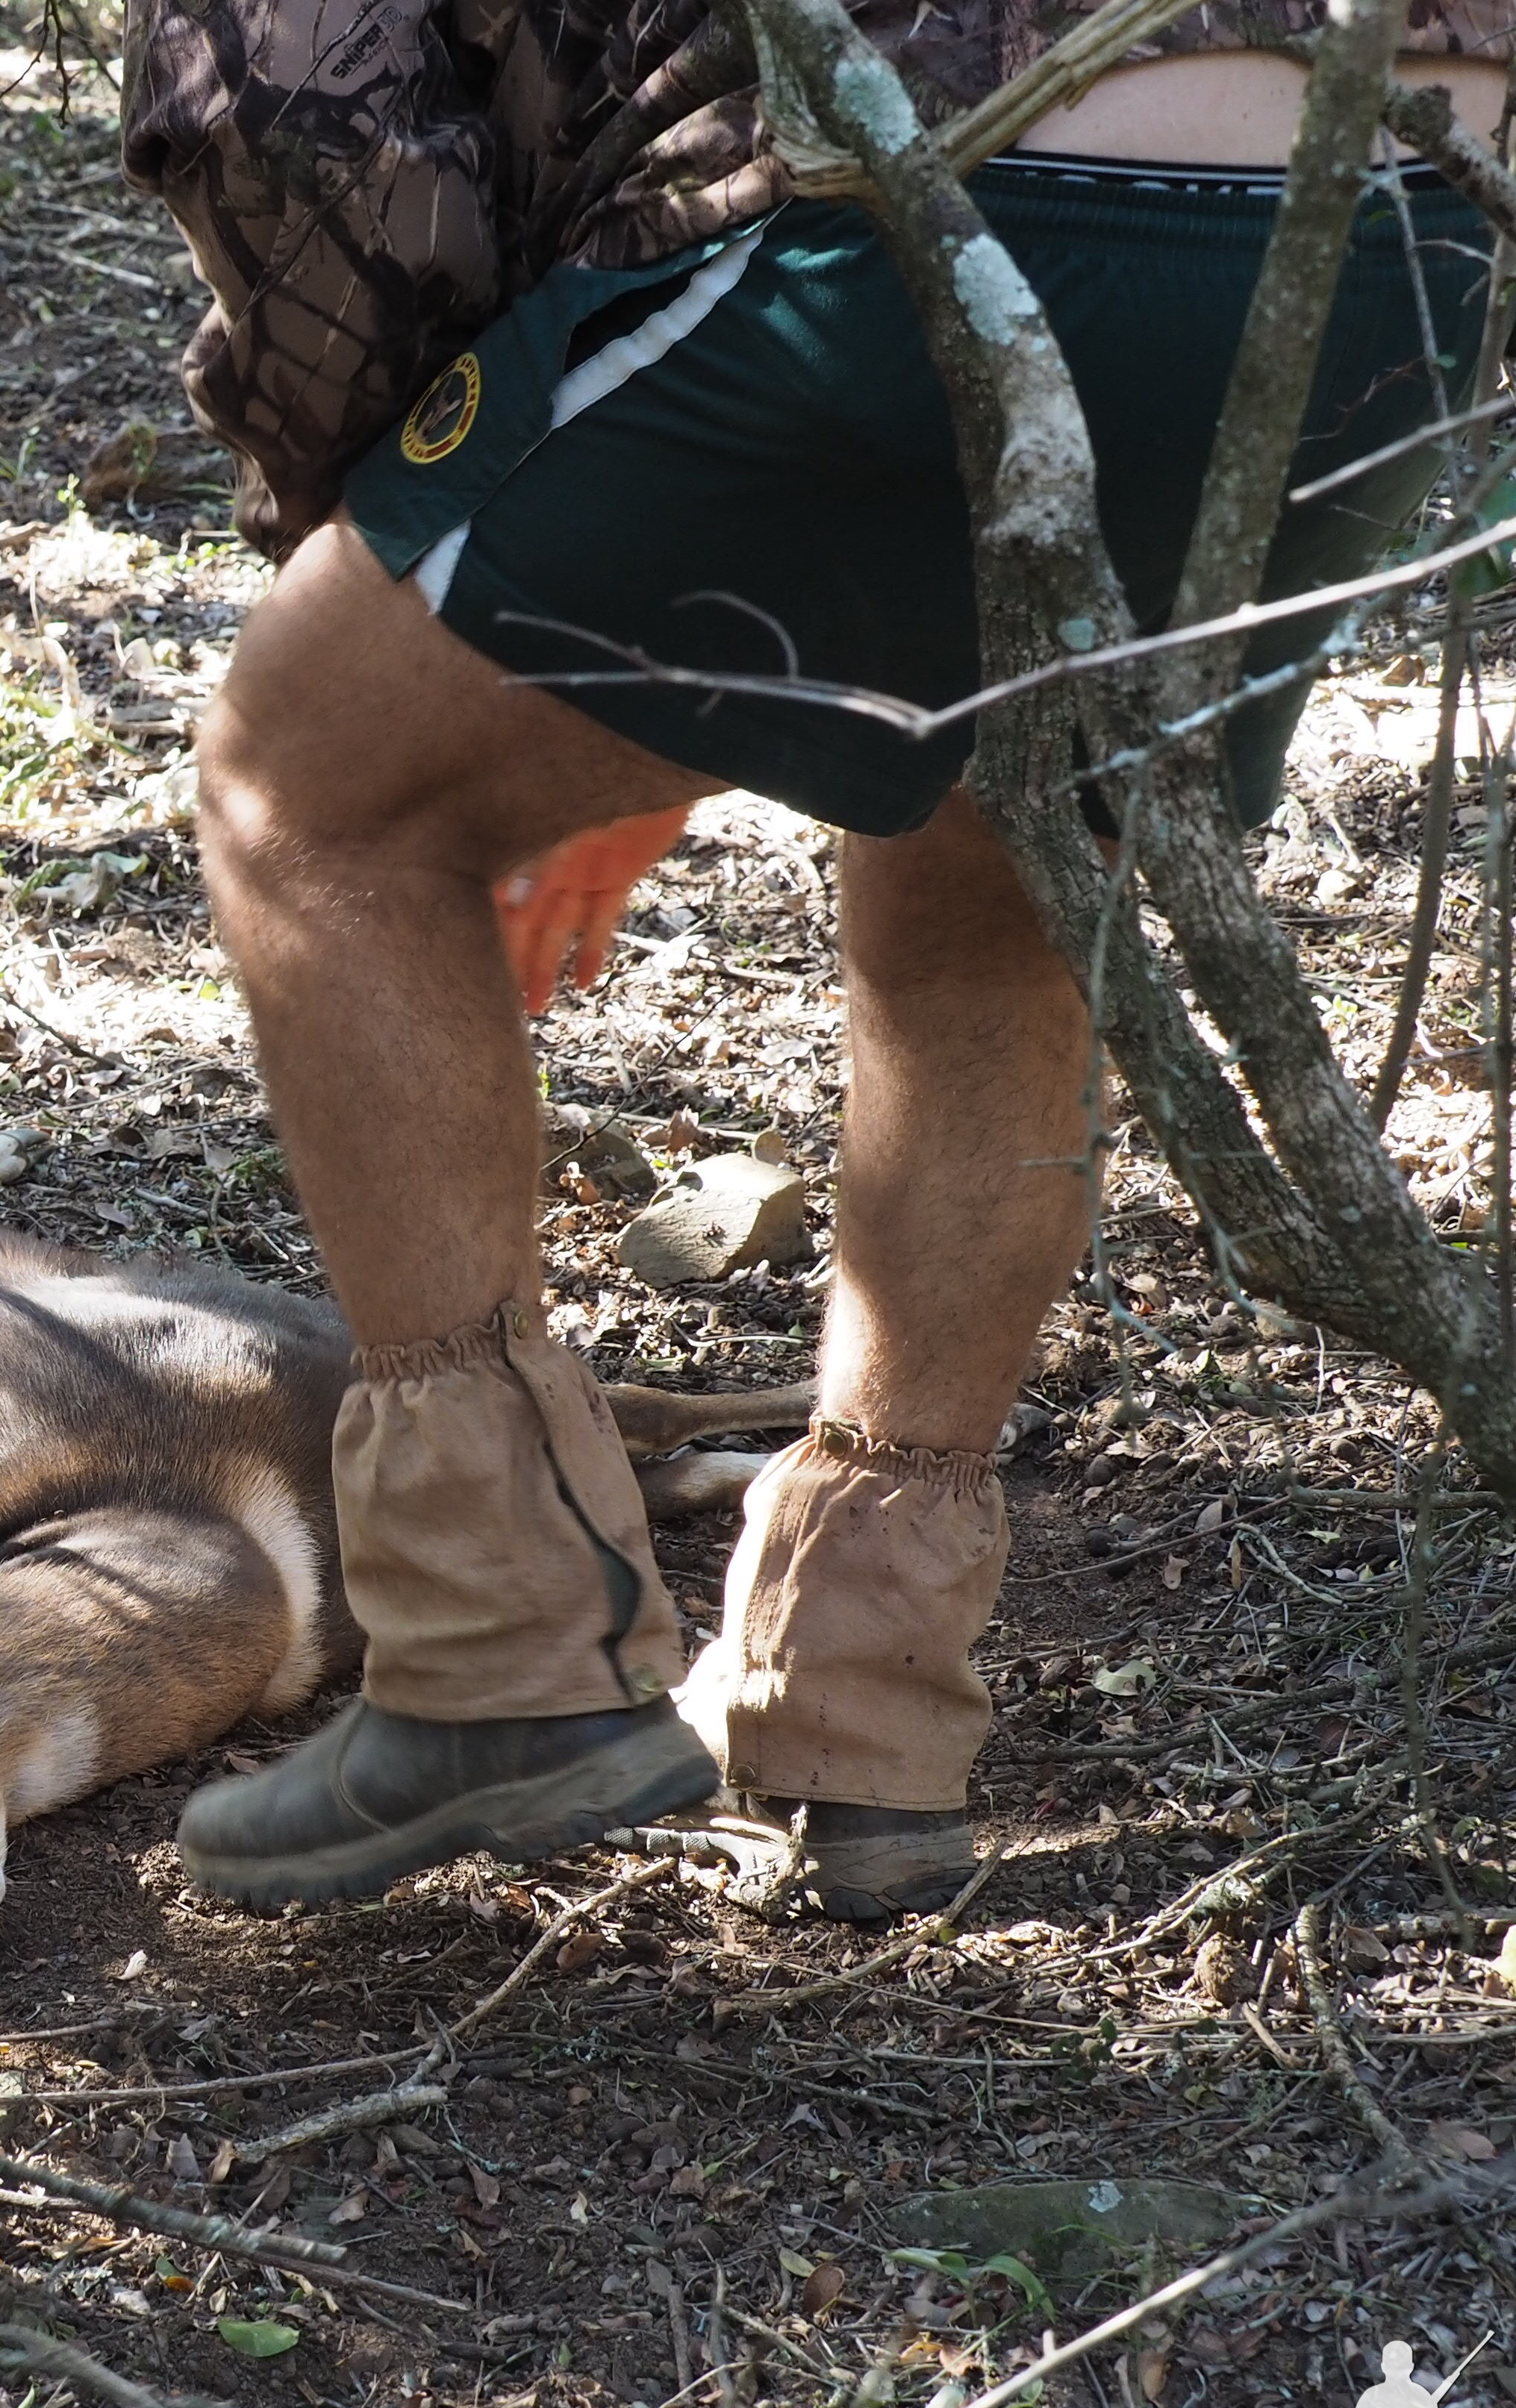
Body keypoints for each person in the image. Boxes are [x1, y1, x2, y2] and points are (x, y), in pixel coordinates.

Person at [131, 0, 1509, 1919]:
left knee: (314, 782)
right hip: (1406, 239)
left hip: (953, 185)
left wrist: (417, 558)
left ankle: (498, 1649)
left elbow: (311, 116)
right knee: (1008, 872)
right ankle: (858, 1721)